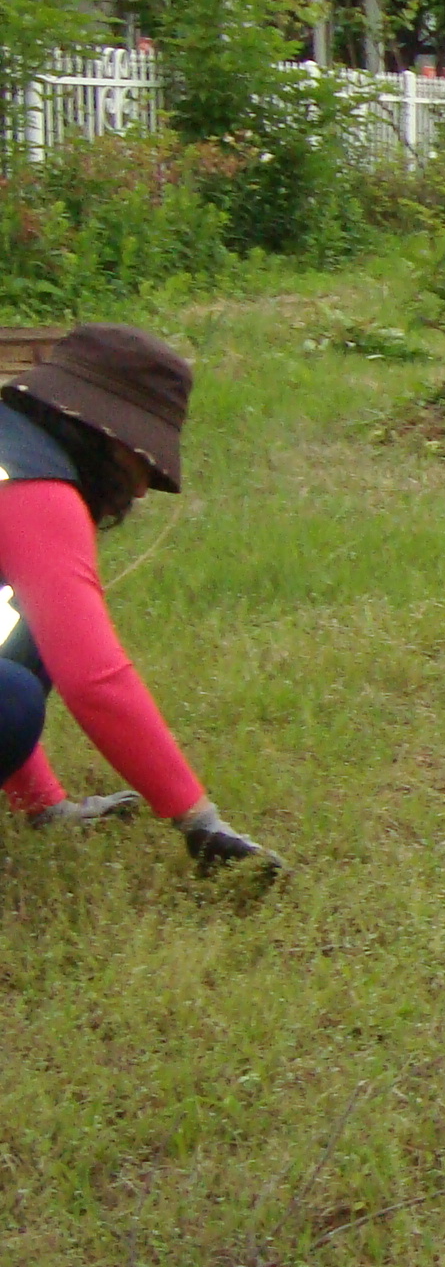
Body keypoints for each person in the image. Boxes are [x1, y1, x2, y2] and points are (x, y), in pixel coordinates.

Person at [0, 323, 284, 876]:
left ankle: (39, 808)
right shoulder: (36, 488)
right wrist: (199, 822)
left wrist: (43, 805)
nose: (136, 490)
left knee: (29, 634)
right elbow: (96, 681)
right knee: (10, 694)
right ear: (100, 433)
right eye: (141, 462)